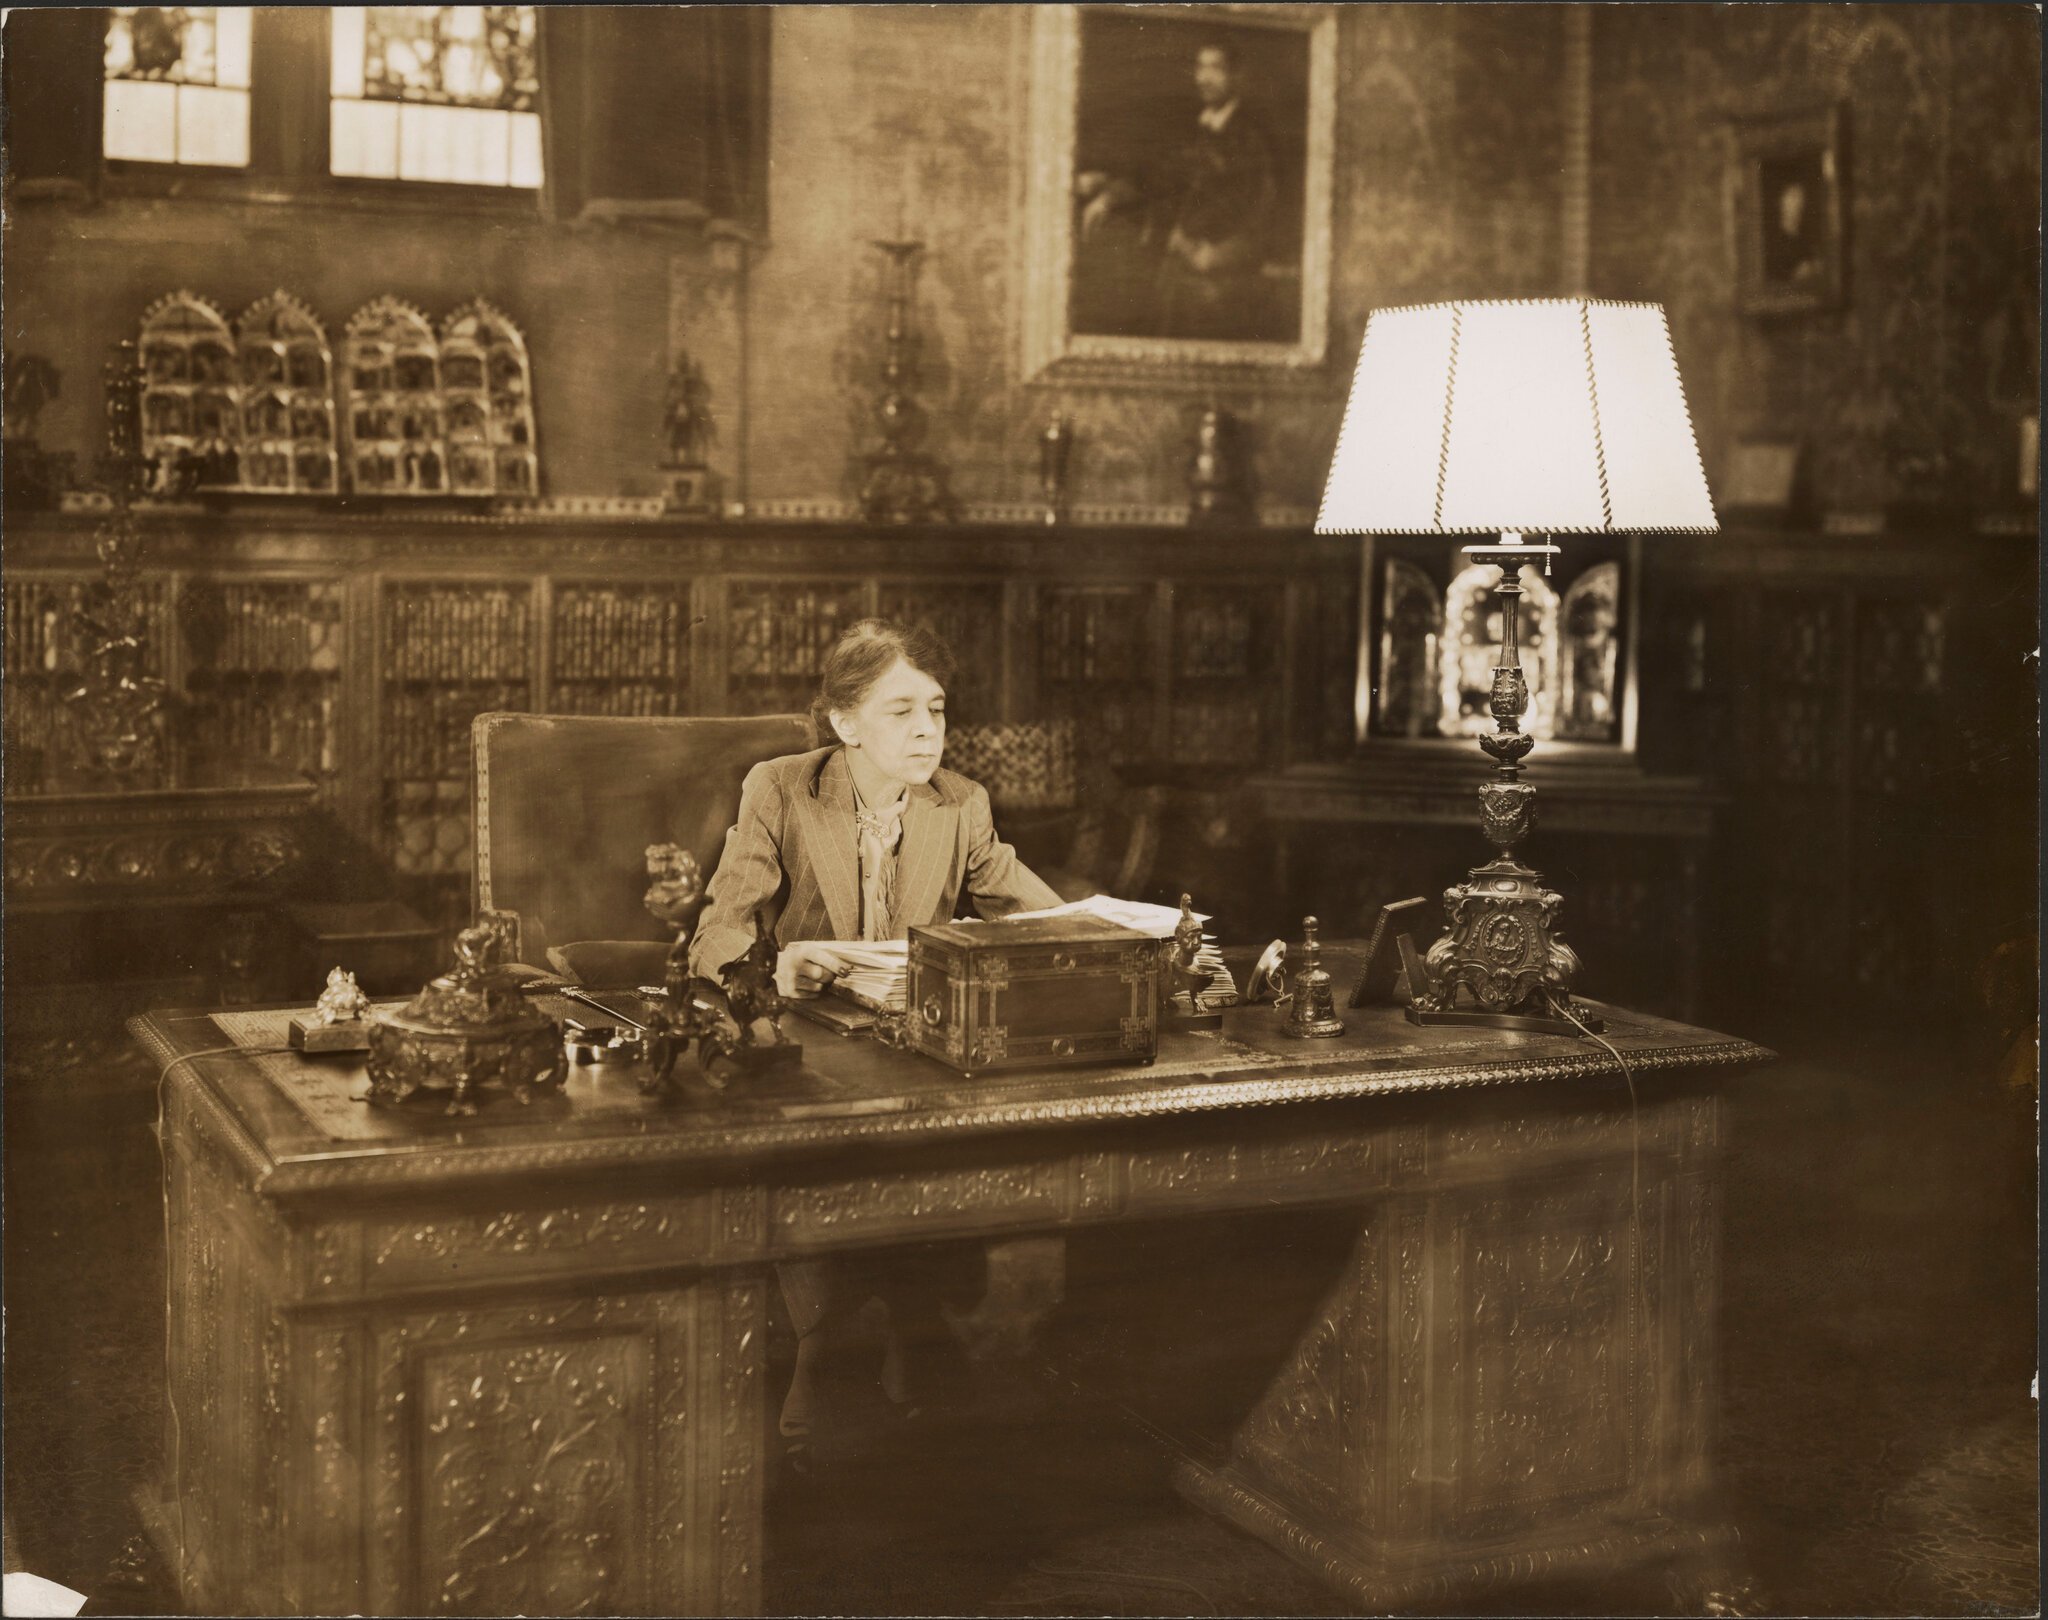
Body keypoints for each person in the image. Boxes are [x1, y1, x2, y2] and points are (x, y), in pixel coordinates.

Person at [689, 618, 1061, 1466]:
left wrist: (1121, 934)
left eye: (936, 708)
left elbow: (1039, 913)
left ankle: (900, 1319)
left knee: (948, 1140)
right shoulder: (781, 787)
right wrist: (771, 973)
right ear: (845, 724)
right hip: (803, 1034)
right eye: (901, 711)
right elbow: (720, 927)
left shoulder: (960, 803)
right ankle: (824, 1339)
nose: (928, 729)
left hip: (914, 1041)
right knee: (818, 1150)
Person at [1074, 38, 1284, 342]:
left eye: (1216, 68)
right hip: (1178, 270)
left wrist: (1213, 255)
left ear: (1237, 76)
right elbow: (1161, 177)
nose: (1204, 78)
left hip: (1222, 281)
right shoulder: (1198, 130)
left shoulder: (1251, 139)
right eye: (1200, 67)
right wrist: (1108, 191)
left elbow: (1262, 213)